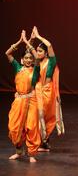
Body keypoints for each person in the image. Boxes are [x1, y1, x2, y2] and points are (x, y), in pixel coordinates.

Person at [5, 30, 41, 162]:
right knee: (14, 127)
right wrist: (19, 41)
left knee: (31, 126)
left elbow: (37, 57)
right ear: (22, 59)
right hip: (19, 101)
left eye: (30, 58)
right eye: (26, 58)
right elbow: (7, 53)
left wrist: (27, 42)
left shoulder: (36, 69)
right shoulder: (17, 68)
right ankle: (19, 151)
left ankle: (31, 154)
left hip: (31, 100)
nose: (28, 60)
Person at [32, 26, 64, 152]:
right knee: (38, 115)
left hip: (48, 91)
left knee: (49, 117)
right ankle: (41, 142)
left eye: (40, 51)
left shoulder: (51, 62)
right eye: (37, 51)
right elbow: (29, 50)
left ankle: (45, 141)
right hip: (39, 91)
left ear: (45, 53)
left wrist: (39, 36)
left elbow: (49, 45)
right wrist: (30, 39)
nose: (38, 53)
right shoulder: (37, 63)